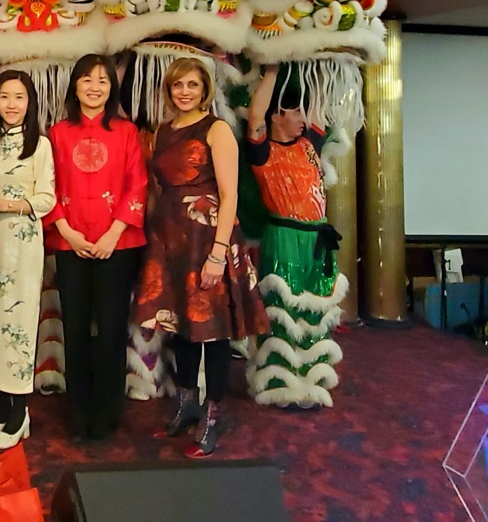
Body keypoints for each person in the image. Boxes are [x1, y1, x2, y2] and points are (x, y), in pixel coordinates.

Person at [134, 57, 268, 458]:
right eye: (178, 86)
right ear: (169, 91)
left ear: (205, 89)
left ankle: (212, 416)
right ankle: (187, 406)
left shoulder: (217, 129)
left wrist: (217, 254)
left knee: (214, 332)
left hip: (209, 238)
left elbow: (229, 196)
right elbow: (159, 189)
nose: (185, 92)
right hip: (171, 240)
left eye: (192, 85)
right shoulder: (161, 131)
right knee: (181, 328)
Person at [43, 54, 147, 444]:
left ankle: (107, 412)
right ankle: (78, 411)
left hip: (115, 245)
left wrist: (113, 234)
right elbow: (46, 185)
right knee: (74, 326)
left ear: (111, 88)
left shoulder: (126, 131)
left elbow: (137, 185)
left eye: (103, 81)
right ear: (75, 86)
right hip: (70, 243)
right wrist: (67, 232)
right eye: (87, 79)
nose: (94, 87)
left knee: (111, 328)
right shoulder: (57, 132)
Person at [244, 64, 346, 409]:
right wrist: (271, 69)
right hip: (284, 236)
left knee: (316, 307)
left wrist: (311, 58)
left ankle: (311, 382)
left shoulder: (308, 145)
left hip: (317, 239)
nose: (304, 117)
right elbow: (256, 113)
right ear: (278, 116)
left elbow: (318, 103)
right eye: (296, 111)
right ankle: (278, 383)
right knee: (282, 309)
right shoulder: (262, 150)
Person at [0, 71, 56, 449]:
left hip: (22, 242)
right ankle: (4, 405)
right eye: (5, 97)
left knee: (19, 325)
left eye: (19, 97)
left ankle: (21, 410)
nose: (11, 104)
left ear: (30, 102)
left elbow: (47, 199)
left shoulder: (38, 144)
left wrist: (8, 204)